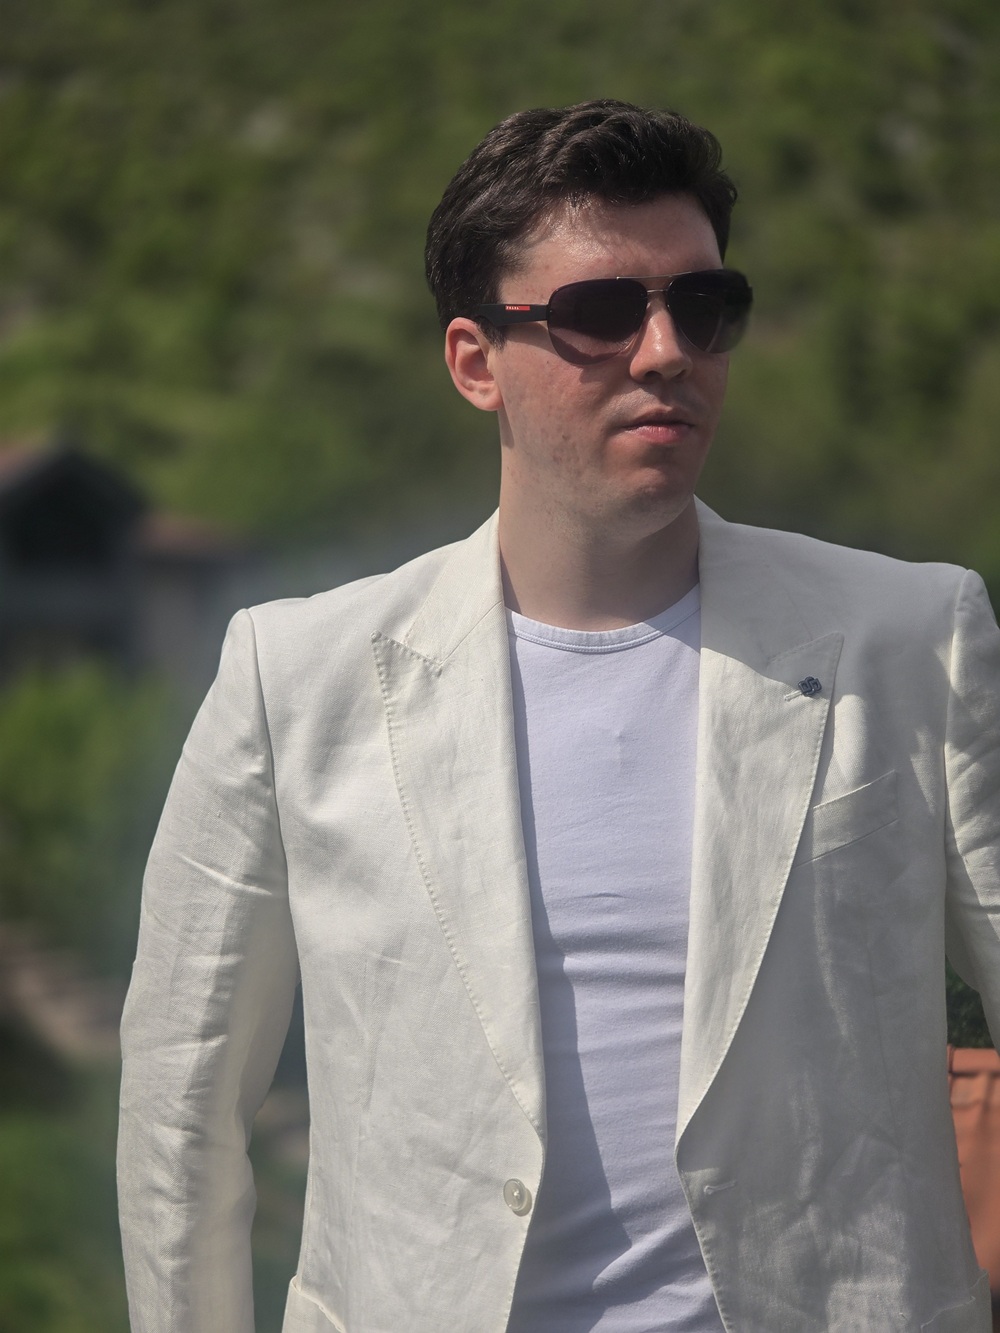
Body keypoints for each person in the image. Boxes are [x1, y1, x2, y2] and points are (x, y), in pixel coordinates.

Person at [117, 100, 1000, 1333]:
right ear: (474, 361)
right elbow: (181, 1104)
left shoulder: (912, 638)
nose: (666, 352)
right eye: (600, 311)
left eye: (704, 306)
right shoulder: (296, 677)